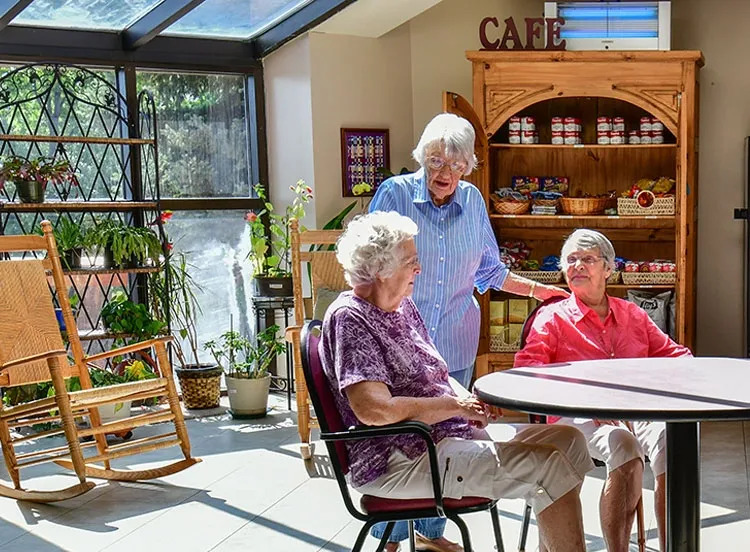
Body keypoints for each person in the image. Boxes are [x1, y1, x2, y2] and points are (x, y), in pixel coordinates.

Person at [321, 211, 593, 552]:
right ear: (380, 269)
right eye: (411, 261)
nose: (419, 269)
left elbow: (436, 375)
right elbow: (375, 410)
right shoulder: (350, 318)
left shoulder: (401, 307)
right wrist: (455, 407)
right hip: (401, 458)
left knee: (569, 440)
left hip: (441, 439)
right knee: (550, 467)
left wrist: (471, 404)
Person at [368, 112, 568, 549]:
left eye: (457, 165)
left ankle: (431, 534)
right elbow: (369, 268)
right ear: (422, 157)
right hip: (400, 348)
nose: (446, 173)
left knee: (447, 436)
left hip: (454, 342)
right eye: (437, 161)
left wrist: (539, 291)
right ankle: (391, 538)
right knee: (403, 441)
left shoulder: (473, 200)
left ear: (467, 167)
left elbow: (490, 270)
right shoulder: (395, 194)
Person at [515, 229, 692, 552]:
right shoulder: (551, 318)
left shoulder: (632, 314)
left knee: (673, 441)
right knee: (623, 445)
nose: (577, 266)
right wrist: (582, 400)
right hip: (575, 415)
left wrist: (688, 378)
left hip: (634, 409)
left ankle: (675, 546)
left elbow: (676, 356)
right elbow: (528, 372)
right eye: (571, 259)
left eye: (588, 259)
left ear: (609, 269)